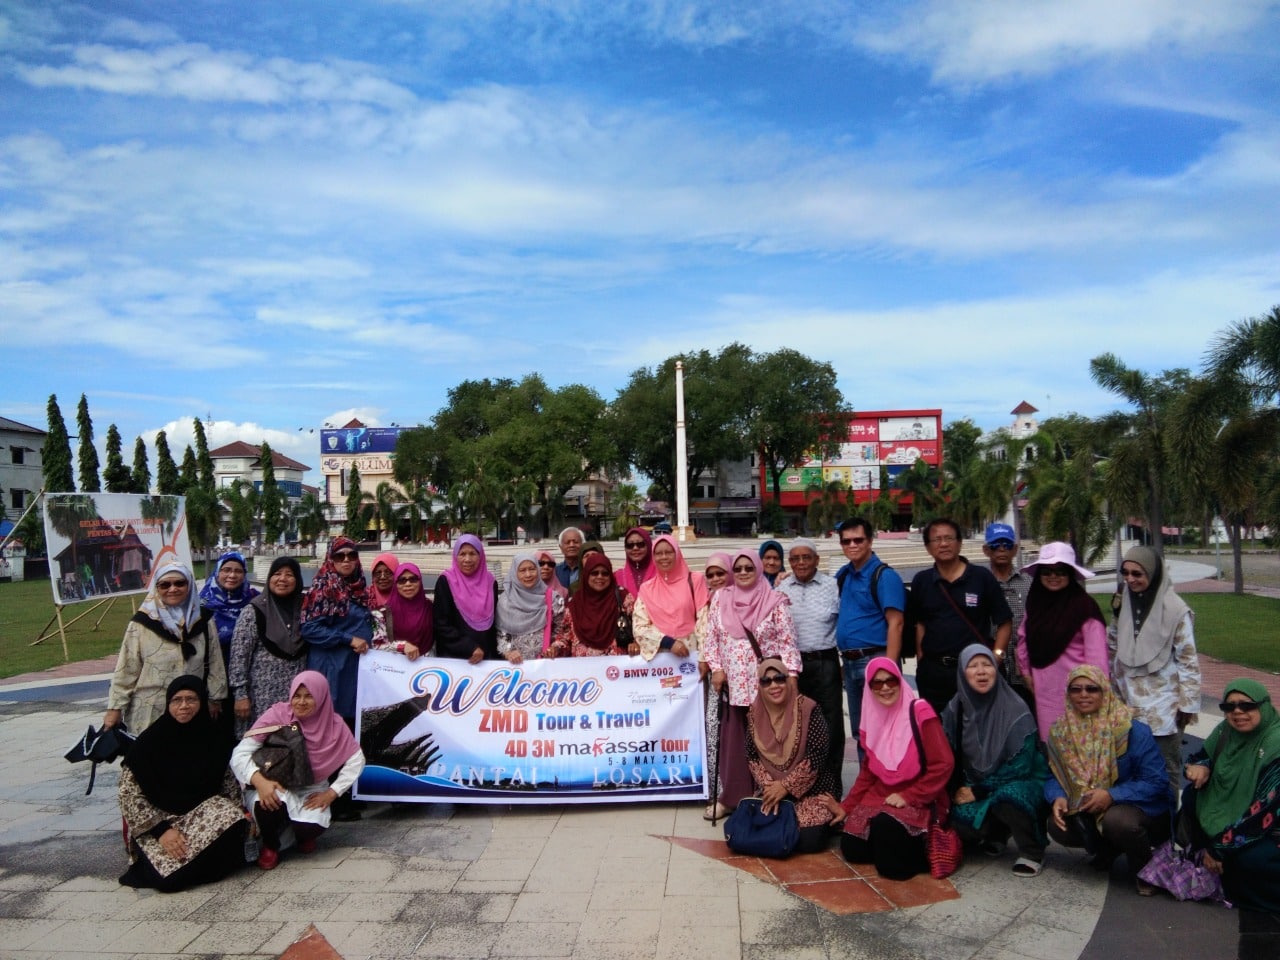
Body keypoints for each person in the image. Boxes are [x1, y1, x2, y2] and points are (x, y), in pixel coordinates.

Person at [1045, 665, 1173, 888]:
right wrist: (1057, 796)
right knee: (1058, 825)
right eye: (1076, 689)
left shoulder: (1131, 730)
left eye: (1092, 689)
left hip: (1142, 808)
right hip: (1088, 806)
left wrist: (1112, 795)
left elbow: (1156, 781)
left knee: (1117, 821)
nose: (1083, 694)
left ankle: (1146, 872)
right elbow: (1052, 774)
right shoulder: (1060, 732)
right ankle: (1106, 850)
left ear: (1104, 691)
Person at [117, 676, 248, 892]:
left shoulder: (214, 738)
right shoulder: (149, 742)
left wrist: (240, 820)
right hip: (159, 821)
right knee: (168, 882)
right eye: (177, 700)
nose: (184, 706)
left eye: (191, 699)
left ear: (202, 702)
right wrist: (162, 831)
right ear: (168, 704)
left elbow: (229, 789)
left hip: (200, 818)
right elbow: (128, 794)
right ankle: (188, 866)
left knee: (233, 818)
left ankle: (194, 864)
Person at [1182, 680, 1280, 952]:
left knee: (1253, 866)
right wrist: (1200, 767)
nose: (1238, 712)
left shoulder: (1276, 743)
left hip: (1268, 832)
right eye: (1229, 706)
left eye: (1247, 705)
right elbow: (1202, 755)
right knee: (1192, 795)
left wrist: (1220, 850)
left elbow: (1265, 811)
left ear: (1264, 706)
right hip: (1236, 828)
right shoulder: (1226, 731)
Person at [232, 672, 366, 870]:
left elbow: (357, 759)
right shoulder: (277, 715)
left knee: (312, 824)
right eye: (297, 695)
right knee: (268, 804)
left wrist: (331, 793)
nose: (301, 702)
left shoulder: (334, 724)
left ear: (321, 697)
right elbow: (240, 753)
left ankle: (300, 836)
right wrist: (260, 781)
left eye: (309, 696)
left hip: (312, 786)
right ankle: (271, 846)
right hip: (275, 781)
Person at [703, 550, 801, 819]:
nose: (744, 572)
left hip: (767, 687)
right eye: (739, 569)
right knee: (735, 745)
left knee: (769, 744)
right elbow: (711, 640)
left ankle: (767, 797)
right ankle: (732, 798)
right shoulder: (721, 599)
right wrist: (718, 669)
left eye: (749, 568)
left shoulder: (775, 601)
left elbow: (787, 642)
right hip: (733, 686)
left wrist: (791, 678)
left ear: (758, 569)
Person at [839, 657, 955, 880]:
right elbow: (868, 771)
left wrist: (909, 795)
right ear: (869, 688)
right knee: (851, 846)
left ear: (900, 681)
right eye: (877, 683)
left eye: (891, 681)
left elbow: (943, 764)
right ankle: (894, 847)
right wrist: (847, 806)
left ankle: (926, 848)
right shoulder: (873, 717)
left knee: (891, 866)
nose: (885, 688)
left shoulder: (920, 712)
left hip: (921, 796)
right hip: (882, 795)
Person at [942, 645, 1049, 877]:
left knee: (1010, 796)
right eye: (973, 666)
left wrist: (978, 791)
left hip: (1022, 781)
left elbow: (1021, 768)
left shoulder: (1015, 707)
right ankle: (996, 833)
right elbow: (946, 754)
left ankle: (1032, 851)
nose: (981, 672)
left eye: (987, 664)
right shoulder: (955, 708)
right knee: (958, 819)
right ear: (962, 672)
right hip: (976, 783)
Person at [1109, 546, 1200, 797]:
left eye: (1138, 573)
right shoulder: (1123, 601)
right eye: (1125, 573)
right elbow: (1113, 645)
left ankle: (1166, 828)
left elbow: (1188, 659)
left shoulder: (1175, 610)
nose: (1130, 579)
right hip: (1128, 703)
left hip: (1164, 707)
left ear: (1153, 573)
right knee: (1130, 768)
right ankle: (1138, 830)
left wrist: (1187, 705)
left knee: (1164, 770)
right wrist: (1112, 692)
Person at [103, 560, 228, 733]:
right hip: (151, 708)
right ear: (156, 588)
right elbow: (127, 668)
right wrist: (115, 708)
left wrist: (216, 697)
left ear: (189, 585)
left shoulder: (203, 621)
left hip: (192, 708)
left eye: (179, 583)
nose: (172, 589)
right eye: (164, 585)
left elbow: (215, 661)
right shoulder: (141, 624)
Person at [908, 518, 1012, 713]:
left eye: (949, 538)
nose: (944, 544)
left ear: (960, 543)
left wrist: (996, 657)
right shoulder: (922, 581)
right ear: (928, 547)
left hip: (975, 671)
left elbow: (1004, 621)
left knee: (979, 732)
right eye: (937, 539)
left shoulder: (981, 577)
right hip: (935, 674)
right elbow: (920, 623)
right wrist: (922, 658)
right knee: (937, 733)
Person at [746, 658, 842, 854]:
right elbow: (752, 756)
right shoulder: (755, 714)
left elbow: (817, 755)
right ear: (760, 686)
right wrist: (771, 787)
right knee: (759, 826)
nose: (774, 685)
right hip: (772, 791)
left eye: (780, 679)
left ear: (788, 681)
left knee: (809, 841)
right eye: (767, 681)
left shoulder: (808, 709)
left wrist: (786, 786)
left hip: (812, 790)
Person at [1015, 542, 1108, 740]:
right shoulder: (1035, 604)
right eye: (1047, 572)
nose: (1053, 577)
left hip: (1080, 694)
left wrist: (1093, 691)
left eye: (1060, 572)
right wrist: (1026, 674)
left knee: (1081, 748)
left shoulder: (1084, 608)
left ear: (1070, 574)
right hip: (1045, 692)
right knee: (1052, 747)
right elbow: (1023, 641)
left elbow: (1097, 657)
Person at [777, 538, 845, 793]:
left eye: (807, 557)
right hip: (794, 669)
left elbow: (841, 624)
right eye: (795, 558)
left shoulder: (832, 586)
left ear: (816, 560)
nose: (801, 562)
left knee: (831, 726)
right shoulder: (782, 588)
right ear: (790, 562)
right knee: (799, 729)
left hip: (825, 664)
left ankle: (831, 789)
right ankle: (802, 788)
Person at [833, 517, 906, 754]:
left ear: (870, 541)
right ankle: (871, 786)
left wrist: (889, 669)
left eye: (858, 540)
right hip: (851, 662)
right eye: (846, 541)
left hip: (876, 661)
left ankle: (889, 787)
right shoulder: (844, 575)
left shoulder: (884, 576)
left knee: (885, 729)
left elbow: (896, 623)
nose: (852, 545)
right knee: (861, 732)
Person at [230, 557, 307, 737]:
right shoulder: (255, 610)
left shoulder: (305, 608)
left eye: (289, 574)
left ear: (297, 580)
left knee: (293, 746)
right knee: (260, 746)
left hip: (296, 697)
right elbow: (238, 657)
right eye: (277, 573)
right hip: (260, 698)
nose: (282, 579)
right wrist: (240, 695)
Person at [301, 538, 373, 726]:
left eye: (352, 555)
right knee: (331, 721)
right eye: (339, 556)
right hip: (331, 668)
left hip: (353, 667)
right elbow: (309, 628)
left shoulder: (359, 588)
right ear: (330, 559)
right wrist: (347, 639)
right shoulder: (323, 588)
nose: (346, 560)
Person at [632, 534, 709, 661]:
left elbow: (704, 623)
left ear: (677, 553)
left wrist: (704, 659)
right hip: (660, 657)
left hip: (692, 655)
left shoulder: (695, 580)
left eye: (668, 552)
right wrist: (668, 642)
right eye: (658, 553)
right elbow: (639, 628)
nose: (663, 557)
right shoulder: (647, 589)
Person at [982, 522, 1031, 696]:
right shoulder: (980, 583)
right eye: (996, 544)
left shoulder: (1029, 582)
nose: (1001, 549)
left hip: (1025, 668)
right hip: (992, 665)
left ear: (1015, 549)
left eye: (1007, 544)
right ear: (986, 550)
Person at [433, 534, 499, 662]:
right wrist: (470, 647)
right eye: (462, 554)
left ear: (481, 556)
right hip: (456, 659)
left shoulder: (490, 582)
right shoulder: (446, 581)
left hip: (487, 658)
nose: (467, 559)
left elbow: (496, 622)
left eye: (472, 553)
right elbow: (441, 624)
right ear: (455, 556)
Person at [549, 553, 628, 657]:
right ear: (586, 575)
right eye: (594, 573)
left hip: (616, 669)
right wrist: (555, 649)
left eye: (605, 573)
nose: (600, 577)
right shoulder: (575, 603)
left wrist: (635, 644)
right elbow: (565, 637)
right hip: (583, 671)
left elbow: (637, 631)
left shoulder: (624, 599)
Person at [198, 551, 258, 675]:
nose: (232, 575)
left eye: (238, 571)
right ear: (217, 572)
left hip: (247, 671)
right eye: (226, 570)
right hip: (211, 671)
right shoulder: (202, 603)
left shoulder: (255, 600)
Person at [497, 552, 557, 664]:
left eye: (532, 569)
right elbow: (502, 636)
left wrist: (555, 648)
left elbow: (561, 632)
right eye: (522, 570)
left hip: (547, 666)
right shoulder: (505, 601)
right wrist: (509, 652)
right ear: (514, 573)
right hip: (517, 668)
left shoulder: (553, 599)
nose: (528, 574)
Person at [381, 562, 434, 660]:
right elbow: (377, 644)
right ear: (395, 584)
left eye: (413, 579)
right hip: (394, 668)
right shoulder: (383, 612)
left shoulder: (430, 608)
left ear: (420, 582)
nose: (408, 584)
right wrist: (402, 646)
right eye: (402, 580)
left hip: (427, 666)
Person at [615, 527, 655, 607]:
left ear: (649, 545)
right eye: (630, 545)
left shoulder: (660, 574)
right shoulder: (616, 576)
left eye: (640, 544)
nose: (635, 548)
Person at [554, 527, 584, 591]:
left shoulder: (589, 569)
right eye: (567, 542)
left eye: (576, 542)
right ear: (561, 547)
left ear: (583, 545)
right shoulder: (555, 571)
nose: (572, 545)